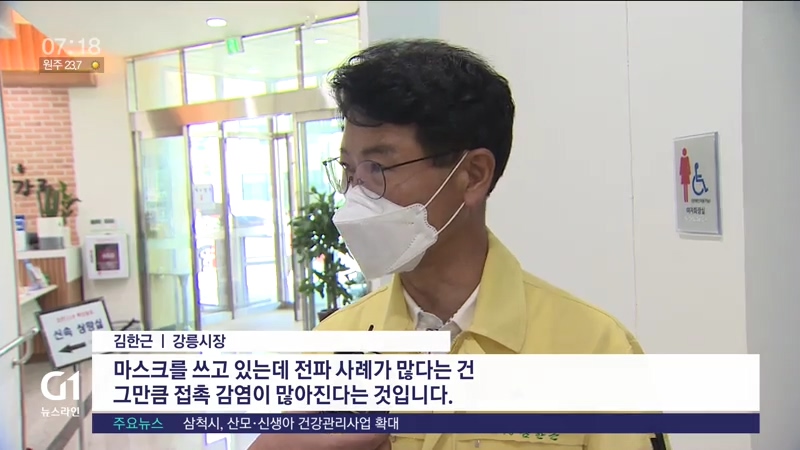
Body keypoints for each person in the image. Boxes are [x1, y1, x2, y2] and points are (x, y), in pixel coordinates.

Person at [249, 39, 666, 450]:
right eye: (349, 169)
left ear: (473, 174)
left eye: (379, 167)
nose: (356, 195)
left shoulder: (594, 349)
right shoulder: (333, 347)